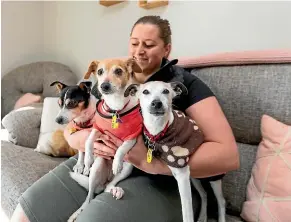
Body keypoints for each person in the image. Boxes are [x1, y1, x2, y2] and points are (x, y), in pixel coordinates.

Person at [11, 15, 239, 222]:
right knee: (24, 213)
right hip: (102, 162)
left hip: (160, 179)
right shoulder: (111, 76)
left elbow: (228, 156)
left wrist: (153, 164)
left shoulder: (185, 84)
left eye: (149, 45)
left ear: (167, 49)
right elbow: (74, 120)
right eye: (134, 43)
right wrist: (82, 140)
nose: (139, 51)